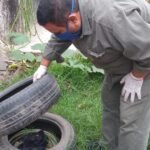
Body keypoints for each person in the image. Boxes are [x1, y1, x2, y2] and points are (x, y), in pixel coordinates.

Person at [33, 0, 150, 149]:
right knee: (110, 103)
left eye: (58, 32)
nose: (58, 35)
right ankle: (111, 146)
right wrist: (44, 65)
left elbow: (147, 50)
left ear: (73, 19)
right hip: (122, 57)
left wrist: (137, 76)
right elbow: (59, 36)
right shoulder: (69, 15)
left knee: (131, 117)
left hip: (145, 61)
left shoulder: (113, 20)